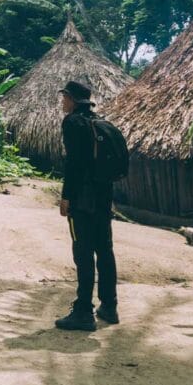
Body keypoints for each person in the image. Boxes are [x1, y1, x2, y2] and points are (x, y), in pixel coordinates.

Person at [55, 80, 119, 332]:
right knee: (105, 250)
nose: (62, 102)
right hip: (104, 197)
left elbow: (74, 164)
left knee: (82, 252)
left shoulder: (72, 123)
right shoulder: (99, 122)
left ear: (72, 100)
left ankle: (83, 310)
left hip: (82, 198)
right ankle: (109, 306)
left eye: (64, 98)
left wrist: (66, 197)